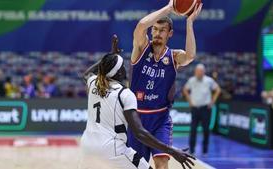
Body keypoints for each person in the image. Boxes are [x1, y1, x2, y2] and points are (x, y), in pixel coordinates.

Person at [79, 36, 195, 169]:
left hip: (87, 146)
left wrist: (111, 57)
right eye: (122, 66)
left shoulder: (94, 83)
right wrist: (173, 151)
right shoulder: (125, 94)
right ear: (117, 73)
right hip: (113, 148)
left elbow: (87, 74)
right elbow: (139, 132)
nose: (125, 69)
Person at [128, 0, 202, 168]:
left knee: (162, 163)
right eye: (154, 29)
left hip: (160, 119)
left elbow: (190, 56)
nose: (157, 33)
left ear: (170, 34)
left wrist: (189, 23)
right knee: (135, 166)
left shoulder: (174, 57)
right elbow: (140, 26)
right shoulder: (141, 49)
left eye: (162, 30)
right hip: (136, 118)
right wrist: (169, 8)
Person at [183, 64, 221, 155]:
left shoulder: (209, 80)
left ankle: (205, 150)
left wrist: (212, 101)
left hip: (205, 109)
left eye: (200, 71)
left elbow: (218, 90)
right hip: (195, 108)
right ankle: (191, 150)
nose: (199, 73)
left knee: (206, 130)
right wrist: (189, 101)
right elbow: (185, 89)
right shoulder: (191, 80)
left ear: (203, 72)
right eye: (197, 71)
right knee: (193, 130)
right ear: (195, 72)